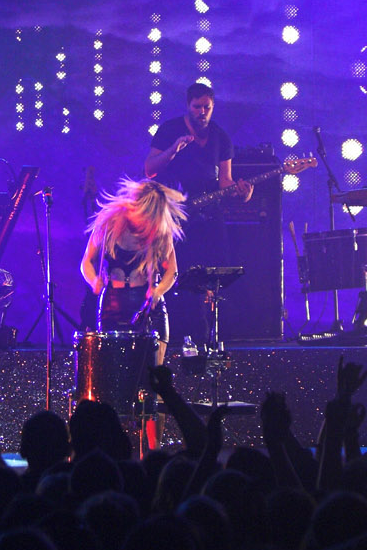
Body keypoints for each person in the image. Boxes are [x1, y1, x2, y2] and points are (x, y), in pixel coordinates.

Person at [145, 83, 248, 343]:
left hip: (208, 216)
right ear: (188, 106)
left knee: (215, 271)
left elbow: (225, 181)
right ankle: (173, 333)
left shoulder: (220, 137)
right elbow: (149, 169)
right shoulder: (170, 129)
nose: (202, 112)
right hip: (175, 214)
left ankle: (208, 334)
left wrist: (242, 192)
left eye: (207, 107)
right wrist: (173, 150)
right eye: (197, 107)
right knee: (178, 270)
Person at [78, 177, 185, 354]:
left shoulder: (160, 231)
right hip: (112, 304)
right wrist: (94, 281)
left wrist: (158, 291)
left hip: (147, 305)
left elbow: (172, 271)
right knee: (113, 364)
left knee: (152, 367)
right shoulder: (109, 224)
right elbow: (86, 262)